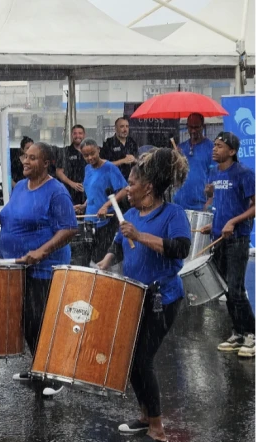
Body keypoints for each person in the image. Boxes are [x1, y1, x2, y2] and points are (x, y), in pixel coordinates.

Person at [96, 147, 191, 442]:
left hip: (163, 298)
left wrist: (140, 237)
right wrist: (105, 262)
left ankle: (158, 427)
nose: (128, 189)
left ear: (148, 187)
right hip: (134, 295)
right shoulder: (132, 214)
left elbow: (180, 249)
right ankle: (144, 415)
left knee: (142, 358)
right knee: (130, 357)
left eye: (132, 184)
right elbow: (117, 245)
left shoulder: (172, 214)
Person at [0, 141, 77, 396]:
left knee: (43, 321)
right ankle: (38, 366)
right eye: (25, 156)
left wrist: (42, 251)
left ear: (46, 163)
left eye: (33, 158)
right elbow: (14, 215)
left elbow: (69, 228)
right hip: (18, 266)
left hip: (45, 267)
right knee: (26, 320)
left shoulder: (56, 192)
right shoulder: (19, 187)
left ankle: (56, 374)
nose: (25, 161)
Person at [201, 132, 255, 358]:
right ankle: (238, 332)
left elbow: (253, 206)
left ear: (231, 151)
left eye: (220, 146)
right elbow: (219, 205)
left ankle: (251, 335)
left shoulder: (244, 173)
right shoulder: (214, 173)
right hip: (219, 239)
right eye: (214, 145)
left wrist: (233, 222)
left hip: (238, 239)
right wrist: (212, 223)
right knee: (226, 289)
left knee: (235, 289)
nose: (214, 149)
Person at [74, 138, 128, 267]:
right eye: (86, 155)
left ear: (98, 150)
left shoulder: (109, 167)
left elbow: (124, 190)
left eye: (92, 153)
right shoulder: (87, 168)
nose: (90, 157)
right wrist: (84, 205)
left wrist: (106, 205)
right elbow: (93, 192)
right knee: (88, 261)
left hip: (106, 222)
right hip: (89, 221)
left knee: (102, 260)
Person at [172, 113, 214, 210]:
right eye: (190, 127)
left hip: (201, 204)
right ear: (187, 126)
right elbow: (174, 175)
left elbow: (216, 177)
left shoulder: (211, 148)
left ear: (203, 126)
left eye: (196, 127)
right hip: (179, 204)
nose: (193, 130)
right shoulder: (181, 147)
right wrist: (175, 159)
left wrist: (210, 201)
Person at [56, 124, 87, 206]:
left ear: (84, 135)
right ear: (71, 135)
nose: (77, 136)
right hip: (70, 192)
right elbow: (59, 172)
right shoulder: (65, 151)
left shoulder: (89, 151)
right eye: (75, 133)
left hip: (88, 192)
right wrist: (72, 184)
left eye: (80, 133)